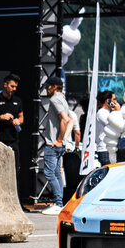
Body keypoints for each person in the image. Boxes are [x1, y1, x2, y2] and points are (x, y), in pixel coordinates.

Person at [38, 75, 74, 213]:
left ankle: (58, 203)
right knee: (57, 173)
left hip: (53, 143)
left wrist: (59, 139)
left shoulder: (54, 99)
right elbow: (70, 119)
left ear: (53, 87)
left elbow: (65, 120)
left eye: (48, 86)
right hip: (59, 143)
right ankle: (60, 203)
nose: (46, 89)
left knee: (49, 172)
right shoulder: (63, 99)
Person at [0, 73, 24, 149]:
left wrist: (18, 121)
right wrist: (1, 117)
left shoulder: (18, 100)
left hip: (13, 140)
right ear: (5, 85)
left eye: (15, 87)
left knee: (15, 160)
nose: (14, 89)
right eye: (12, 86)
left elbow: (21, 118)